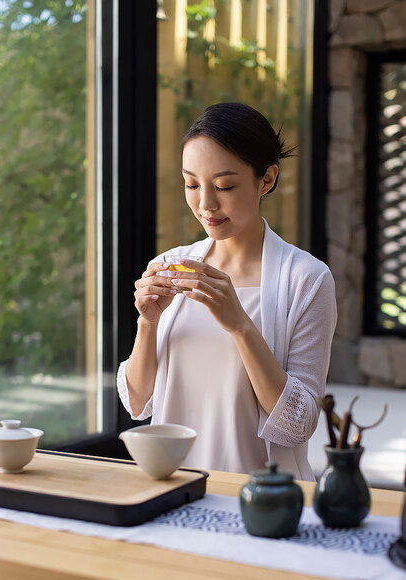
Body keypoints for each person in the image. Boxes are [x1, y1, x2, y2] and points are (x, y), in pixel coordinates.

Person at [117, 102, 336, 480]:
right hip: (172, 489)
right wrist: (148, 324)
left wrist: (239, 324)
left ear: (266, 180)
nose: (206, 204)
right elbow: (137, 403)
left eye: (224, 186)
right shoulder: (172, 266)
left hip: (262, 501)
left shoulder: (306, 279)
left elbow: (297, 426)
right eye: (191, 184)